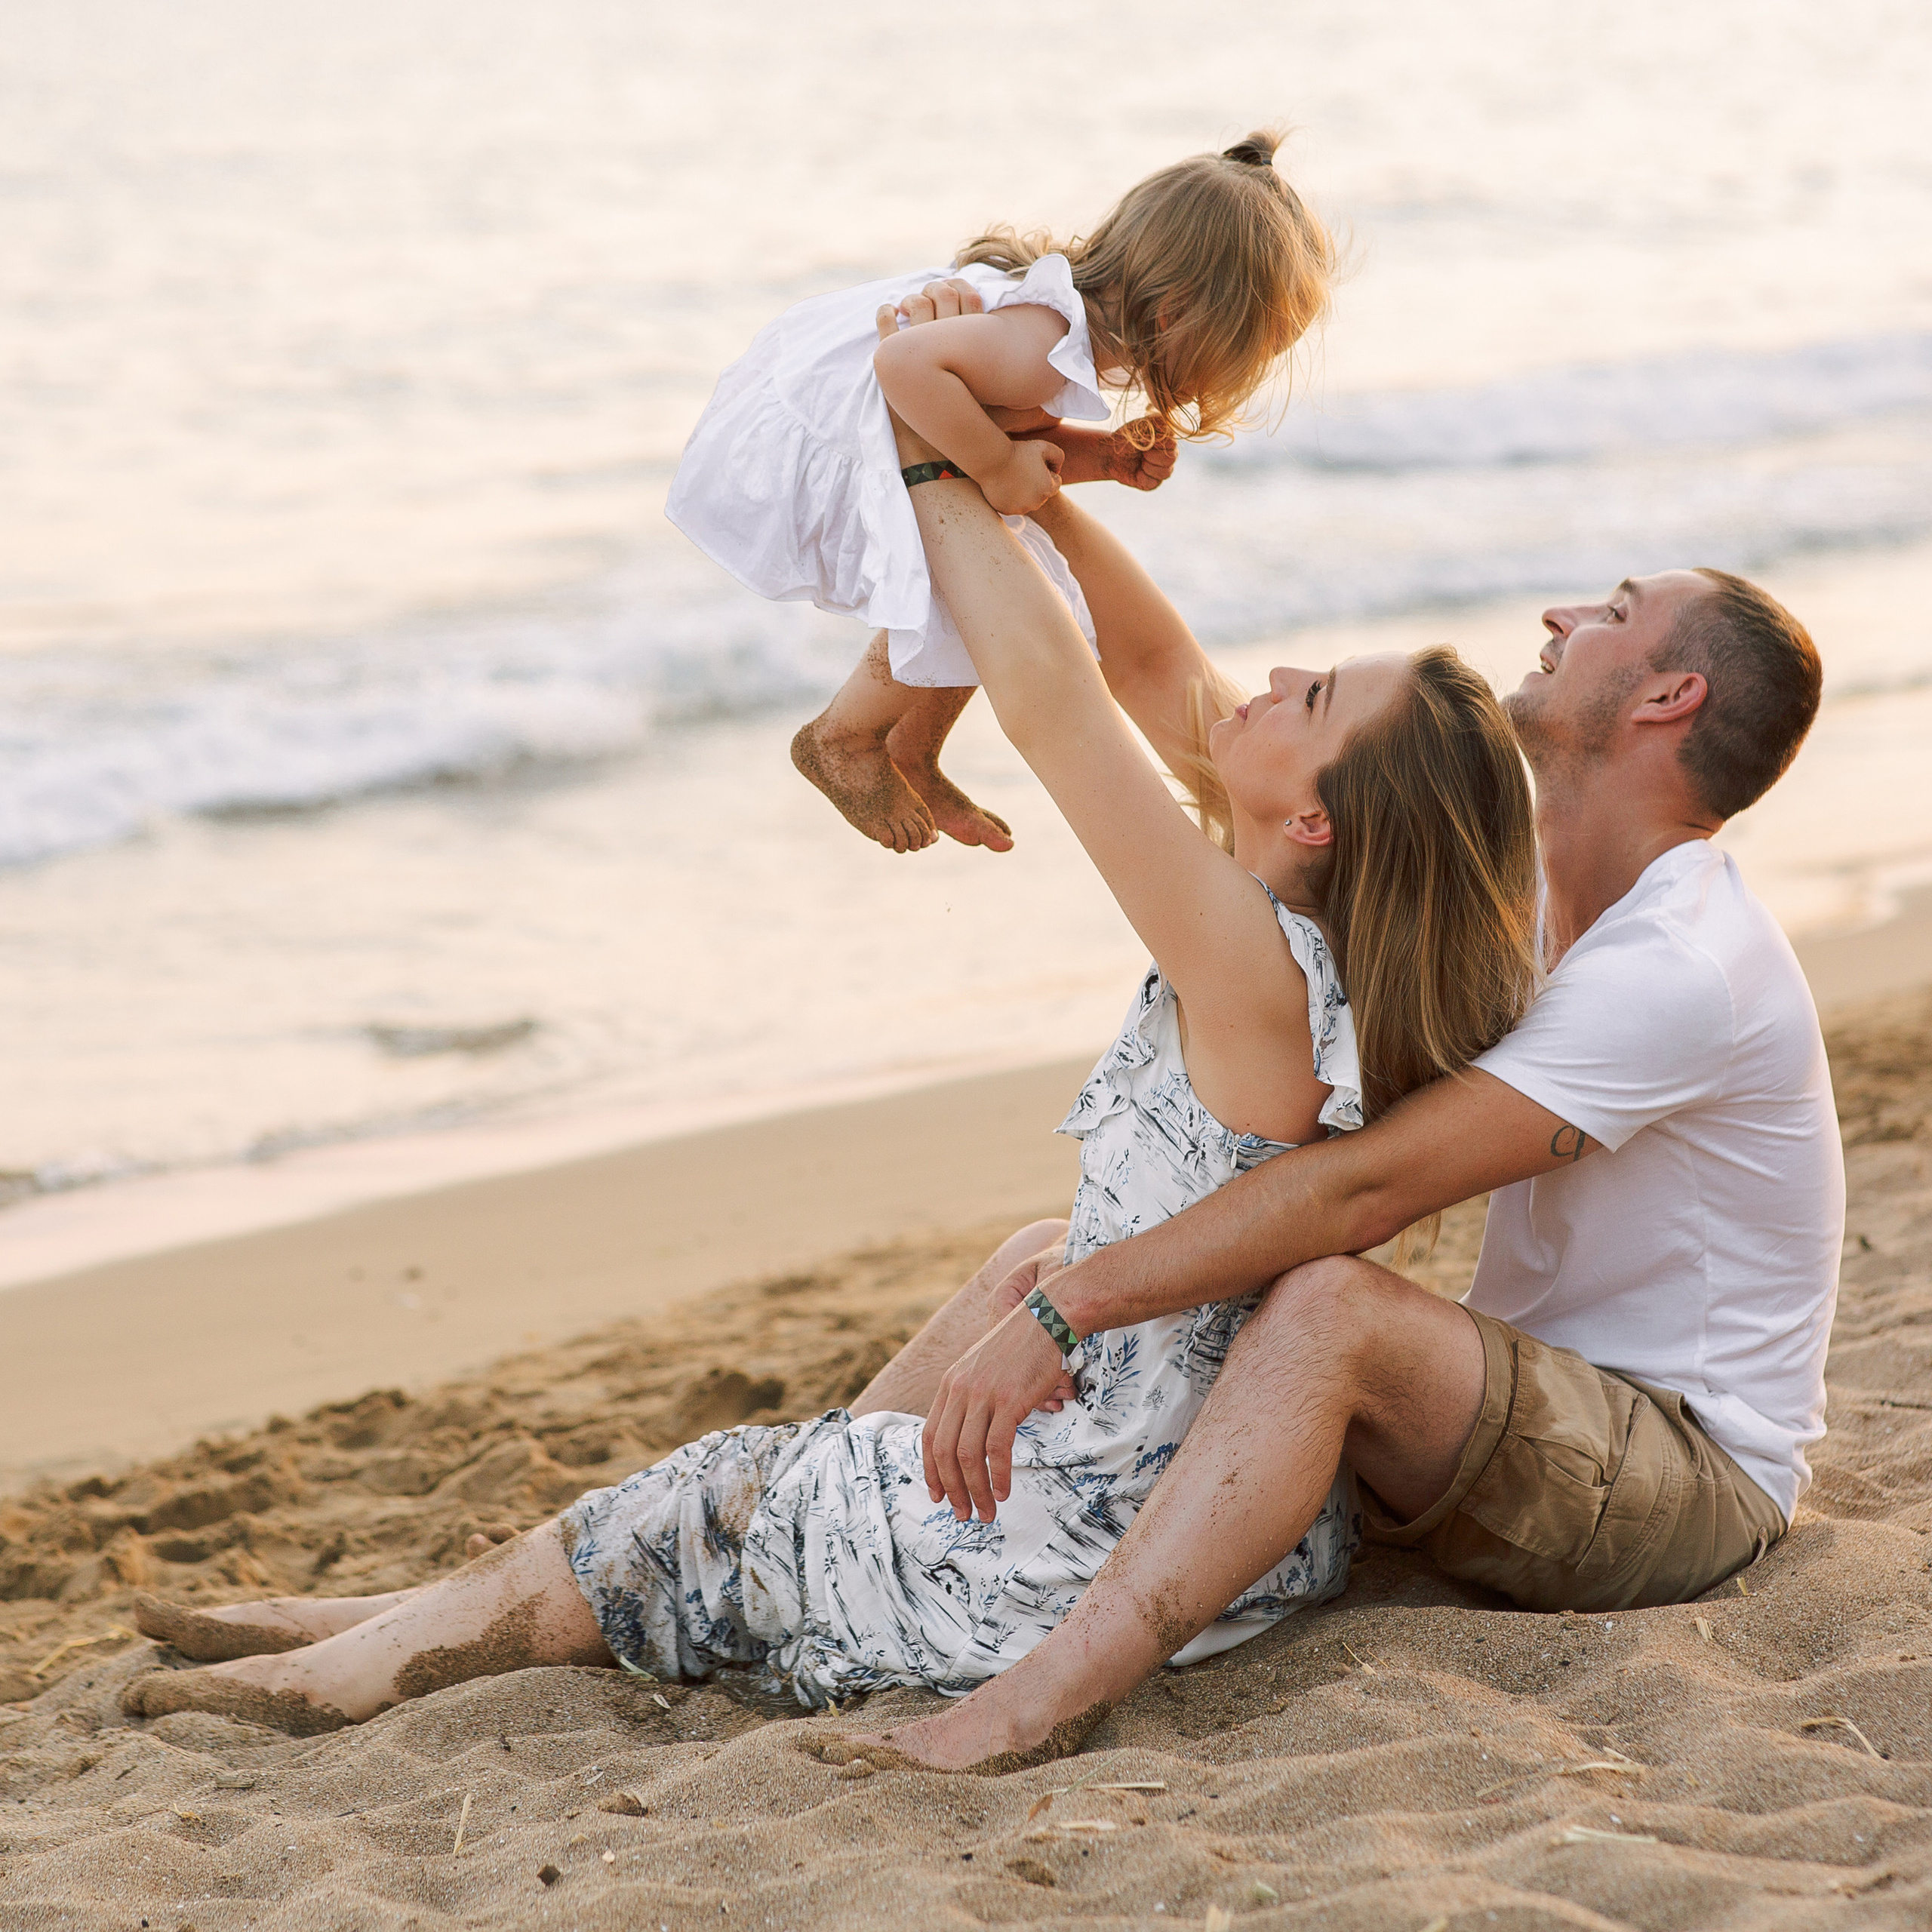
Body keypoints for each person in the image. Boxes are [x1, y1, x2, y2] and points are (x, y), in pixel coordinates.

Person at [122, 321, 1543, 1740]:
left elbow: (1051, 694)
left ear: (1317, 820)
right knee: (1013, 1273)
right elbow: (1147, 651)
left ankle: (345, 1674)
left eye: (1313, 698)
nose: (1274, 675)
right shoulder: (1288, 926)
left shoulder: (1251, 972)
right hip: (1168, 1480)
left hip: (1068, 1548)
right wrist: (1031, 490)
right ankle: (443, 1603)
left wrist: (926, 446)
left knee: (701, 1494)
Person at [856, 549, 1837, 1772]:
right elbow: (1190, 701)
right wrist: (1031, 485)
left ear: (1665, 698)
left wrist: (1069, 1316)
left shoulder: (1681, 965)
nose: (1561, 612)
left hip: (1687, 1474)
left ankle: (1034, 1702)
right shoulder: (1527, 894)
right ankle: (829, 1503)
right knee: (1045, 1252)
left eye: (1616, 616)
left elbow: (1366, 1190)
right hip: (1526, 1415)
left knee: (1322, 1310)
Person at [665, 130, 1333, 855]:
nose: (1239, 378)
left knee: (1009, 567)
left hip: (868, 420)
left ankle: (913, 748)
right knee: (1009, 577)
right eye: (1246, 354)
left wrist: (1101, 457)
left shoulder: (1056, 337)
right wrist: (993, 470)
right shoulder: (1037, 349)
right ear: (1174, 316)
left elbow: (1000, 437)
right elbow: (905, 367)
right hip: (819, 441)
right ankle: (844, 737)